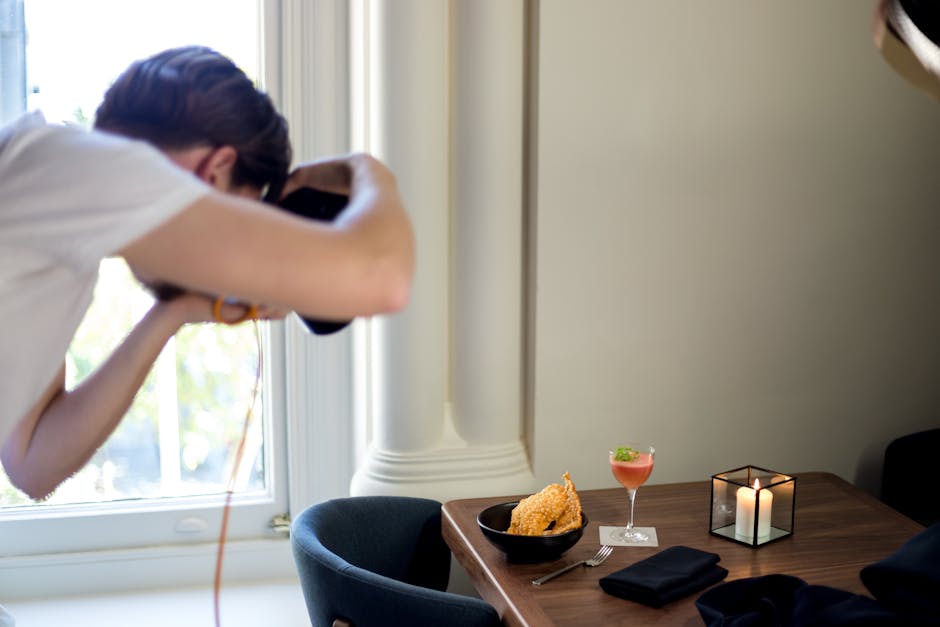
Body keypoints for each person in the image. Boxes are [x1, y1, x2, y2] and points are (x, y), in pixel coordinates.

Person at [0, 46, 414, 502]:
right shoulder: (87, 170)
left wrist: (172, 313)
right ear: (214, 171)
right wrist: (367, 171)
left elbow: (32, 464)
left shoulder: (58, 241)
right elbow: (383, 279)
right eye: (237, 214)